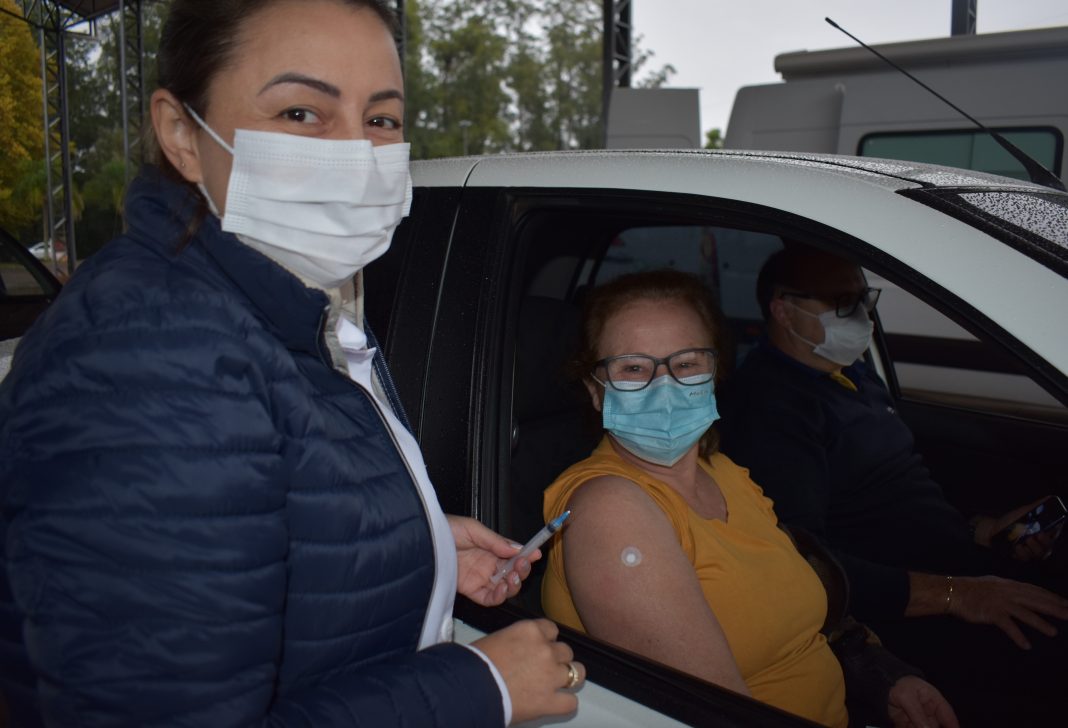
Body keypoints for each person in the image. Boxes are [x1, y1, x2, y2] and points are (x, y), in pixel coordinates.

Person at [0, 1, 583, 725]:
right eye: (301, 113)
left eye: (381, 120)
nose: (356, 156)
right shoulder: (145, 359)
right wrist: (480, 688)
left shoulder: (288, 301)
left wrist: (416, 546)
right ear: (181, 133)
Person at [540, 270, 956, 728]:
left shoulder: (725, 473)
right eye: (634, 368)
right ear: (596, 391)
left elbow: (800, 604)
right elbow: (711, 716)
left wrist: (881, 676)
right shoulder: (610, 510)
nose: (665, 386)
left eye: (686, 363)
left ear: (713, 374)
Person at [718, 243, 1068, 725]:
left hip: (957, 571)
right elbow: (806, 564)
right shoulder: (772, 410)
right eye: (843, 303)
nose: (861, 316)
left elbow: (895, 496)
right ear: (783, 309)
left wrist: (982, 531)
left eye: (864, 300)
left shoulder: (850, 375)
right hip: (903, 612)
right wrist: (959, 594)